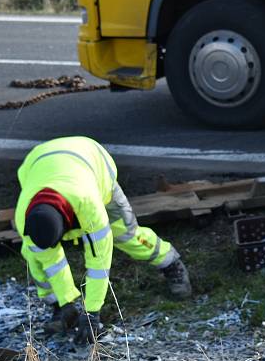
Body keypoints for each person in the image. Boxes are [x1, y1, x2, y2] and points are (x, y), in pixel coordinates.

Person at [15, 136, 192, 343]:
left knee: (125, 235)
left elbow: (98, 262)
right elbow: (52, 263)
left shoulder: (89, 204)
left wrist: (92, 314)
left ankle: (170, 262)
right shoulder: (23, 217)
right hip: (39, 161)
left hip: (93, 161)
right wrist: (66, 303)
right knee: (34, 257)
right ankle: (57, 308)